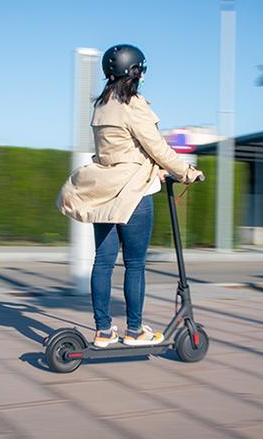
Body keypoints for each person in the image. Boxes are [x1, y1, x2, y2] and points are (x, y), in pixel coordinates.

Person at [57, 44, 203, 347]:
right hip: (133, 193)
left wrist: (154, 169)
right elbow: (157, 147)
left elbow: (119, 149)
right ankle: (135, 331)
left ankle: (103, 331)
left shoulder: (101, 105)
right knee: (134, 265)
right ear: (133, 72)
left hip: (104, 191)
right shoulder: (134, 105)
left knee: (104, 262)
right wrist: (188, 172)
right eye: (141, 70)